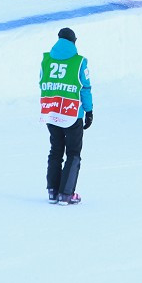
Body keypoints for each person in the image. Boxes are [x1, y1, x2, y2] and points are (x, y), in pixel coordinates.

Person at [40, 27, 93, 205]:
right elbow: (85, 87)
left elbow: (42, 82)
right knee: (73, 152)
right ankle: (66, 194)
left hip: (52, 111)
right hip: (72, 113)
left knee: (55, 151)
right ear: (74, 41)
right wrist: (89, 110)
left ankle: (53, 192)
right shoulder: (79, 62)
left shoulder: (46, 60)